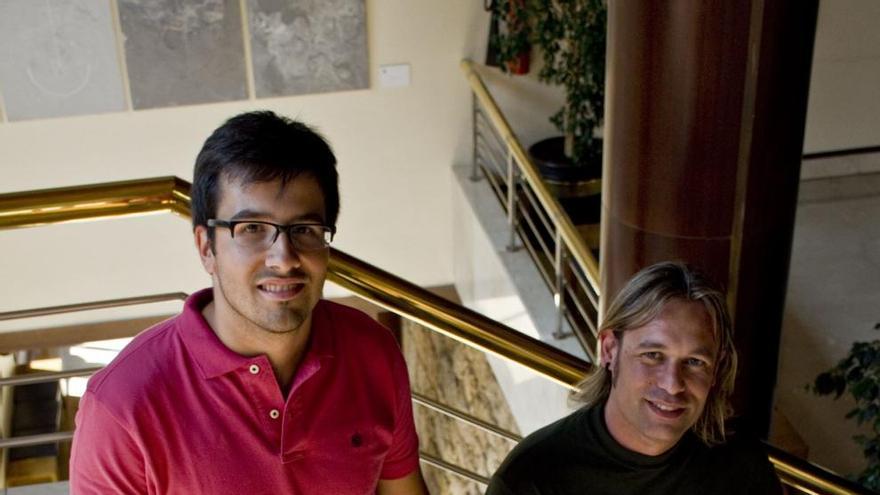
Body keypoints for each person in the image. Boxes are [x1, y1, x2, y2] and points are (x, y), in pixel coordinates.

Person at [70, 111, 428, 494]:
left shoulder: (370, 350)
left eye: (304, 230)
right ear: (207, 247)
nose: (284, 257)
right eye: (252, 229)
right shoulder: (122, 408)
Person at [486, 261, 783, 494]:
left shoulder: (739, 464)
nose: (672, 384)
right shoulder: (530, 480)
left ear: (716, 369)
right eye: (653, 355)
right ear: (609, 350)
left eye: (694, 362)